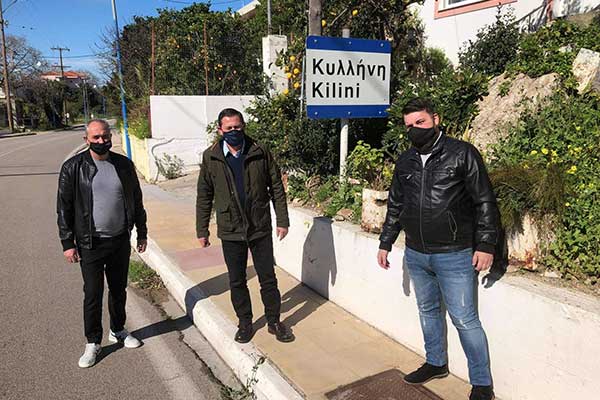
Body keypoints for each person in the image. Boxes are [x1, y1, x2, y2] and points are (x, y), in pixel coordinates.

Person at [377, 98, 498, 400]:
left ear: (436, 119)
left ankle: (482, 382)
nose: (414, 129)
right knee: (428, 311)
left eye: (420, 122)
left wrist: (486, 244)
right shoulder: (405, 161)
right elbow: (396, 204)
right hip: (416, 253)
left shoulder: (462, 153)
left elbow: (484, 200)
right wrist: (386, 241)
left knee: (464, 319)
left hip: (454, 253)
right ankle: (435, 362)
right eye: (409, 125)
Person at [196, 108, 294, 344]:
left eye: (237, 127)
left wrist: (282, 220)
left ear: (244, 126)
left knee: (267, 278)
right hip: (230, 228)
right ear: (220, 129)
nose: (234, 131)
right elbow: (204, 195)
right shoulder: (211, 157)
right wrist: (202, 229)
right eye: (229, 128)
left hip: (259, 225)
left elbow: (276, 187)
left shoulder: (260, 151)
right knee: (237, 280)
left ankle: (274, 322)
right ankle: (245, 323)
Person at [57, 119, 147, 368]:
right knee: (93, 294)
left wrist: (141, 232)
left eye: (105, 136)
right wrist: (68, 242)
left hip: (119, 240)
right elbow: (64, 208)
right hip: (90, 243)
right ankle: (93, 342)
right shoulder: (73, 167)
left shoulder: (123, 165)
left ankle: (118, 330)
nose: (101, 141)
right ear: (86, 139)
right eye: (96, 137)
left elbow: (136, 200)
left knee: (118, 290)